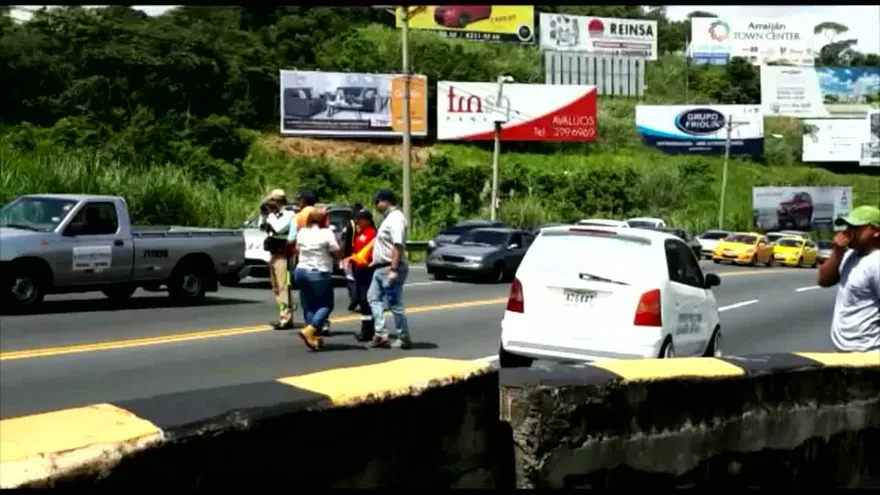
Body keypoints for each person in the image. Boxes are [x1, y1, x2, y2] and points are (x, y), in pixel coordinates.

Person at [817, 205, 880, 353]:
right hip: (843, 350)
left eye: (855, 227)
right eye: (847, 227)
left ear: (876, 231)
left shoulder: (877, 262)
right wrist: (837, 251)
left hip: (868, 353)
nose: (848, 232)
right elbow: (823, 281)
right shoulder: (849, 256)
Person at [367, 189, 412, 349]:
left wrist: (393, 269)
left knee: (394, 303)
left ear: (386, 201)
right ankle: (381, 334)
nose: (375, 205)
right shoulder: (388, 219)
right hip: (381, 267)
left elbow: (397, 245)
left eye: (377, 201)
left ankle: (404, 336)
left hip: (391, 268)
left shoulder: (396, 219)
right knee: (373, 297)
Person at [294, 207, 342, 351]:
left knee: (309, 304)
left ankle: (313, 337)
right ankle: (311, 329)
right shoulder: (327, 233)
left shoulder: (302, 232)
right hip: (319, 272)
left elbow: (297, 249)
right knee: (327, 305)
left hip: (301, 270)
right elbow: (336, 251)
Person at [259, 189, 295, 330]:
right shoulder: (272, 215)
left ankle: (286, 318)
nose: (270, 204)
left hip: (283, 254)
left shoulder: (289, 214)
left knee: (283, 287)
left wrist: (271, 215)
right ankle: (284, 314)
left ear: (279, 201)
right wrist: (264, 215)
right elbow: (262, 228)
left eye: (272, 201)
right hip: (273, 254)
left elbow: (280, 228)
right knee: (276, 288)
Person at [347, 208, 378, 342]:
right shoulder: (361, 233)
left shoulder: (372, 233)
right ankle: (366, 329)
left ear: (367, 220)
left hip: (368, 269)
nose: (357, 222)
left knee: (365, 299)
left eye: (360, 219)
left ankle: (369, 330)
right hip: (358, 268)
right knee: (361, 299)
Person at [342, 203, 362, 311]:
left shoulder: (349, 225)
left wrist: (342, 256)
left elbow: (344, 242)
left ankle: (354, 299)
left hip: (350, 255)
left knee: (351, 279)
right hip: (362, 255)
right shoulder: (366, 224)